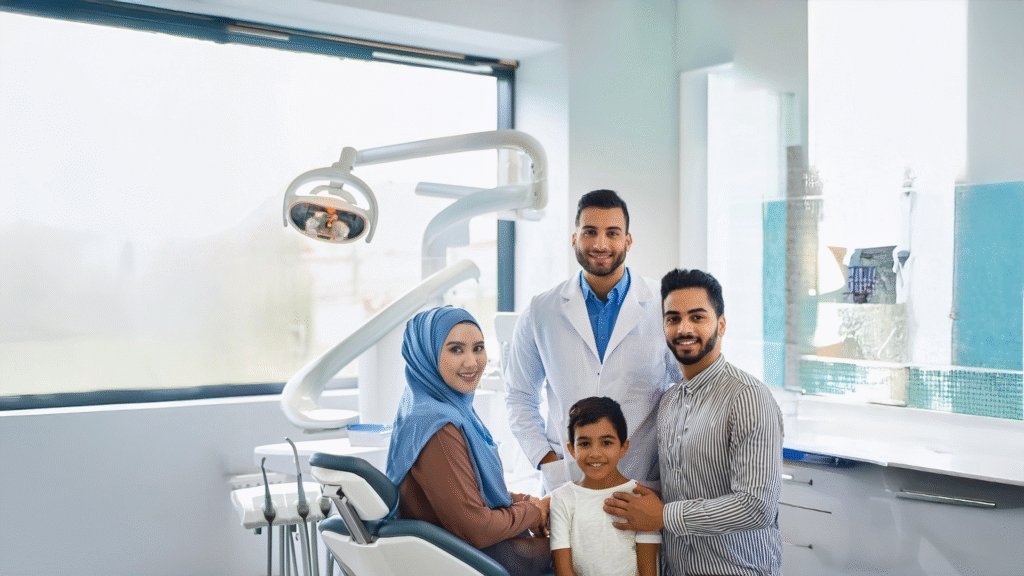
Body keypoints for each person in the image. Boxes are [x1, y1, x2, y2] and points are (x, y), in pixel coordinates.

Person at [603, 269, 784, 576]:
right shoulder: (670, 401)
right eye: (673, 318)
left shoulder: (748, 397)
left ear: (721, 324)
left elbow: (756, 507)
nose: (683, 328)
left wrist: (664, 516)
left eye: (697, 317)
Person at [505, 189, 682, 493]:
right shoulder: (541, 310)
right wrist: (551, 465)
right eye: (590, 232)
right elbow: (519, 396)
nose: (600, 244)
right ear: (575, 238)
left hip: (640, 484)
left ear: (627, 241)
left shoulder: (665, 306)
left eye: (612, 233)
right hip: (567, 482)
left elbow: (688, 392)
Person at [386, 306, 552, 576]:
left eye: (478, 348)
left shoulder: (434, 404)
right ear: (427, 354)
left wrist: (528, 501)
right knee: (583, 546)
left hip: (459, 551)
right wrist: (532, 512)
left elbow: (469, 491)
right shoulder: (438, 425)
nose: (472, 363)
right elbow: (476, 526)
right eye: (455, 349)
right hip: (466, 559)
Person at [549, 397, 660, 576]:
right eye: (584, 443)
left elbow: (649, 571)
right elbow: (563, 570)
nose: (595, 453)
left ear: (623, 447)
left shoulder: (639, 498)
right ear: (571, 450)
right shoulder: (562, 499)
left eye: (606, 442)